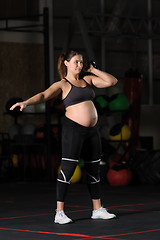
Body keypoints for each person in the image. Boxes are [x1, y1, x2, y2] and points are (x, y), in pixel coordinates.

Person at [10, 50, 118, 224]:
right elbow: (44, 95)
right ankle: (59, 213)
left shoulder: (87, 80)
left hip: (92, 131)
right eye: (76, 62)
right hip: (73, 130)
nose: (79, 65)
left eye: (82, 62)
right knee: (68, 169)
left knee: (94, 169)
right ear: (66, 63)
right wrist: (26, 102)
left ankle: (97, 209)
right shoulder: (63, 85)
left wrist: (93, 70)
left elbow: (112, 81)